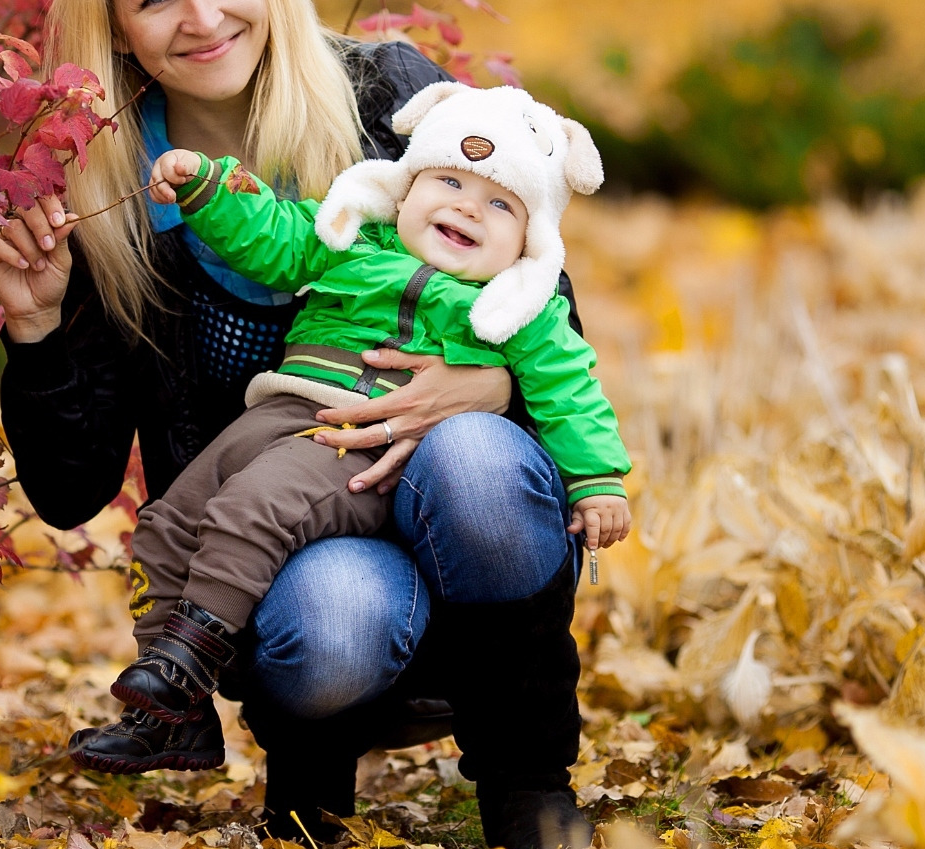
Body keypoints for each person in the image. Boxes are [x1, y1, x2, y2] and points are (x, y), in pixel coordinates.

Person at [0, 0, 601, 849]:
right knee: (333, 612)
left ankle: (529, 789)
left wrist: (481, 384)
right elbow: (69, 488)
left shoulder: (388, 97)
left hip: (461, 514)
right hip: (294, 562)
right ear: (118, 26)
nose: (203, 16)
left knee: (475, 458)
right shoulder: (112, 196)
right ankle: (306, 797)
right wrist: (39, 327)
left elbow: (545, 297)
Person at [67, 82, 631, 777]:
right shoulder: (353, 236)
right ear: (408, 183)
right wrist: (210, 189)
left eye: (499, 203)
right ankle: (168, 712)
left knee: (253, 509)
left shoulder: (517, 302)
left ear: (528, 237)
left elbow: (570, 388)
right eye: (448, 179)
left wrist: (597, 481)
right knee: (167, 522)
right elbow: (273, 238)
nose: (465, 206)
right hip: (277, 415)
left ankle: (192, 654)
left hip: (361, 445)